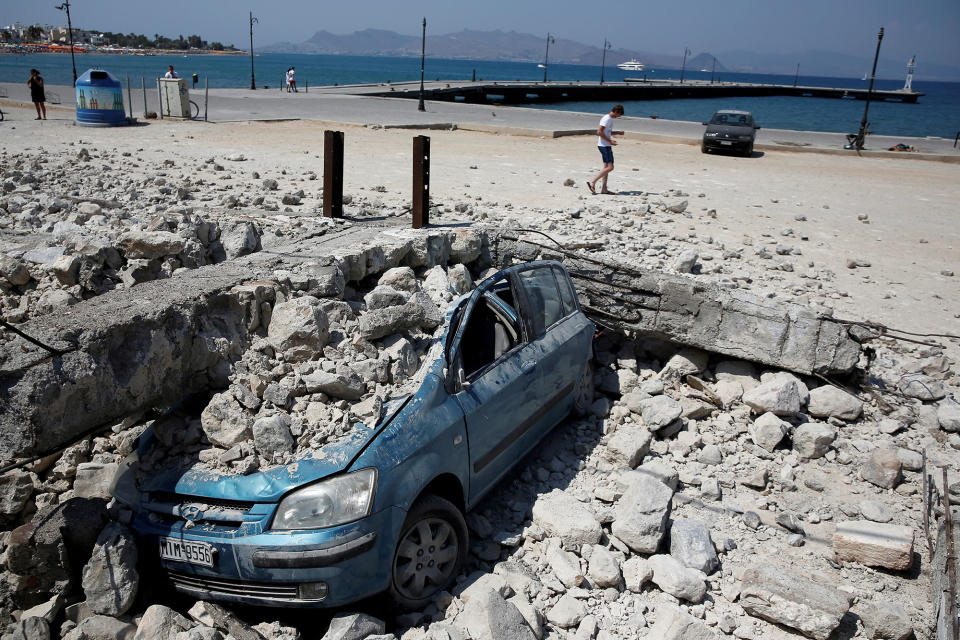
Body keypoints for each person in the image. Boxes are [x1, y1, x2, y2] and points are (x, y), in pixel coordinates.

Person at [587, 104, 624, 195]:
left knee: (606, 168)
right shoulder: (607, 118)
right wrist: (610, 141)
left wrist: (617, 133)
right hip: (604, 146)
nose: (618, 117)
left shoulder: (609, 119)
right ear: (616, 112)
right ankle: (593, 182)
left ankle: (604, 189)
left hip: (606, 145)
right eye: (619, 115)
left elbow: (607, 132)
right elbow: (599, 132)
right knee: (610, 167)